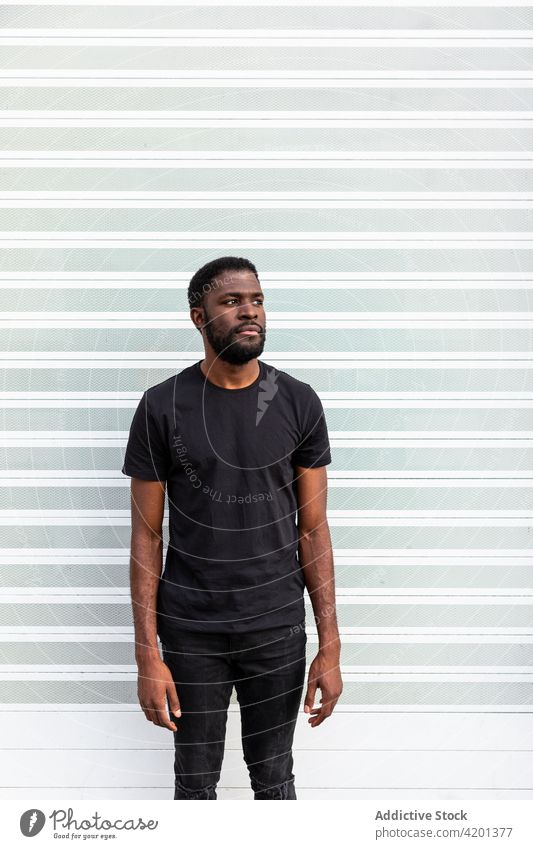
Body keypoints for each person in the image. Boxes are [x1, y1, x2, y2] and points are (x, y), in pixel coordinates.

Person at [122, 256, 343, 799]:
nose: (251, 313)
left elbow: (313, 531)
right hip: (191, 629)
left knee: (274, 778)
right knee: (194, 784)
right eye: (232, 302)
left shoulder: (299, 402)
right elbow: (147, 537)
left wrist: (330, 644)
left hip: (277, 628)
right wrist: (147, 654)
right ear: (199, 317)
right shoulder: (160, 407)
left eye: (258, 301)